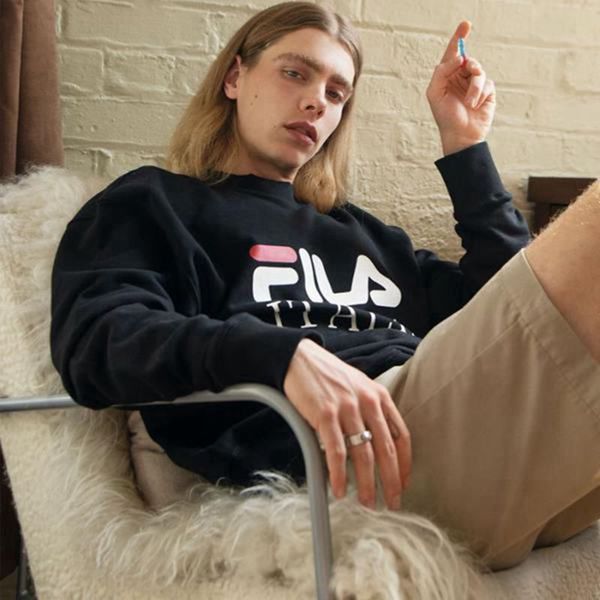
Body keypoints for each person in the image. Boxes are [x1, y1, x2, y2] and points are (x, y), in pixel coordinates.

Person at [50, 2, 600, 571]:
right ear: (235, 77)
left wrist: (465, 146)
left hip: (474, 425)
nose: (317, 100)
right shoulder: (155, 204)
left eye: (337, 93)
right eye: (295, 73)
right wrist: (283, 353)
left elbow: (520, 317)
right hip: (353, 452)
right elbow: (95, 342)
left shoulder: (366, 235)